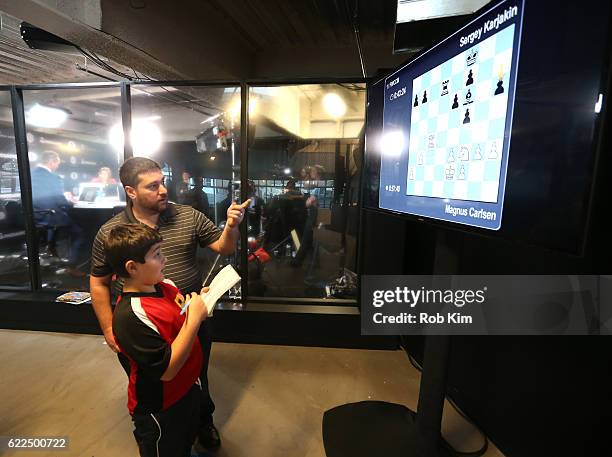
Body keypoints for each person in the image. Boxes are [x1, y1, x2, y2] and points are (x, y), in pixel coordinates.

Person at [90, 157, 249, 451]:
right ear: (130, 191)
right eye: (152, 186)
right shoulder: (112, 233)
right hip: (146, 324)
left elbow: (224, 247)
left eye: (163, 182)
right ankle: (162, 431)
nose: (163, 190)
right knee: (154, 387)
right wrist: (109, 328)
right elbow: (98, 282)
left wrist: (232, 226)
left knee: (195, 376)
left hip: (189, 313)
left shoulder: (188, 215)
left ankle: (201, 422)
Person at [106, 223, 210, 457]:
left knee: (185, 440)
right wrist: (194, 320)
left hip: (187, 389)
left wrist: (198, 305)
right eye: (157, 255)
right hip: (160, 406)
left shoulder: (167, 287)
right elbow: (166, 371)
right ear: (132, 267)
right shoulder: (130, 316)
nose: (165, 260)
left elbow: (180, 319)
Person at [31, 150, 85, 277]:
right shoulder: (53, 177)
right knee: (79, 233)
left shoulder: (30, 174)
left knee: (55, 227)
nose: (57, 166)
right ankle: (72, 267)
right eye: (57, 163)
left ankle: (51, 249)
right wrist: (71, 201)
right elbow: (59, 201)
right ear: (52, 161)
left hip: (34, 215)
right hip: (51, 215)